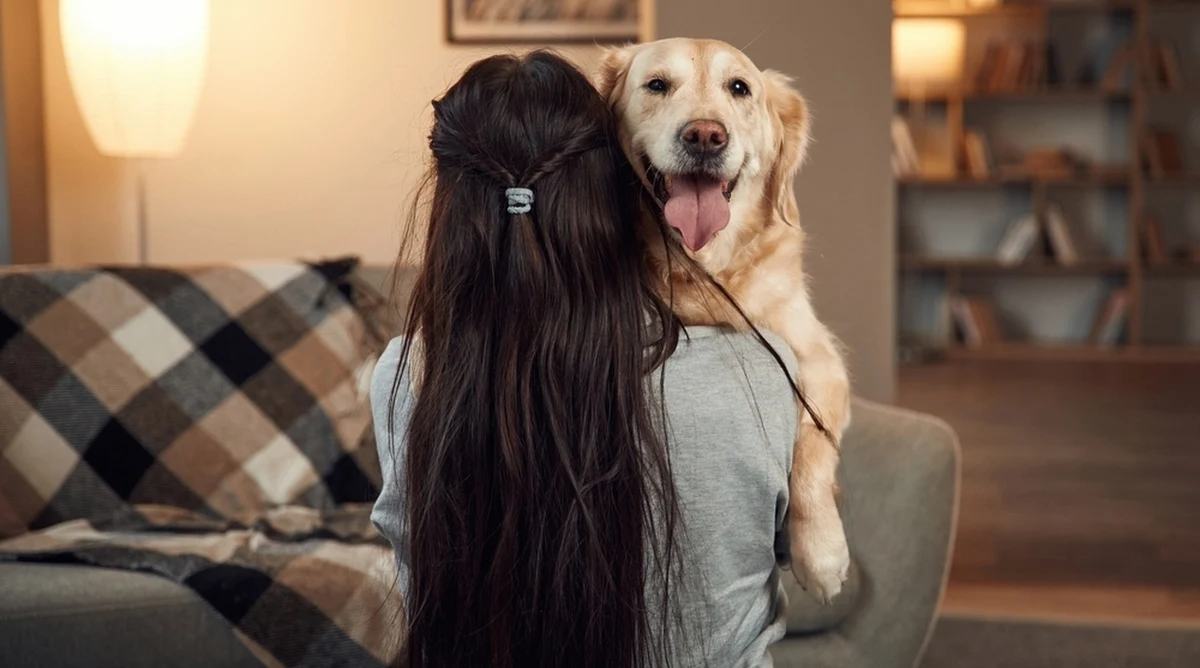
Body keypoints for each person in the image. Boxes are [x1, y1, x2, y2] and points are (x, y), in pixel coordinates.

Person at [370, 50, 801, 668]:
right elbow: (779, 550)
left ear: (447, 200)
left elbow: (415, 567)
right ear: (612, 183)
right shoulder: (760, 370)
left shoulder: (403, 374)